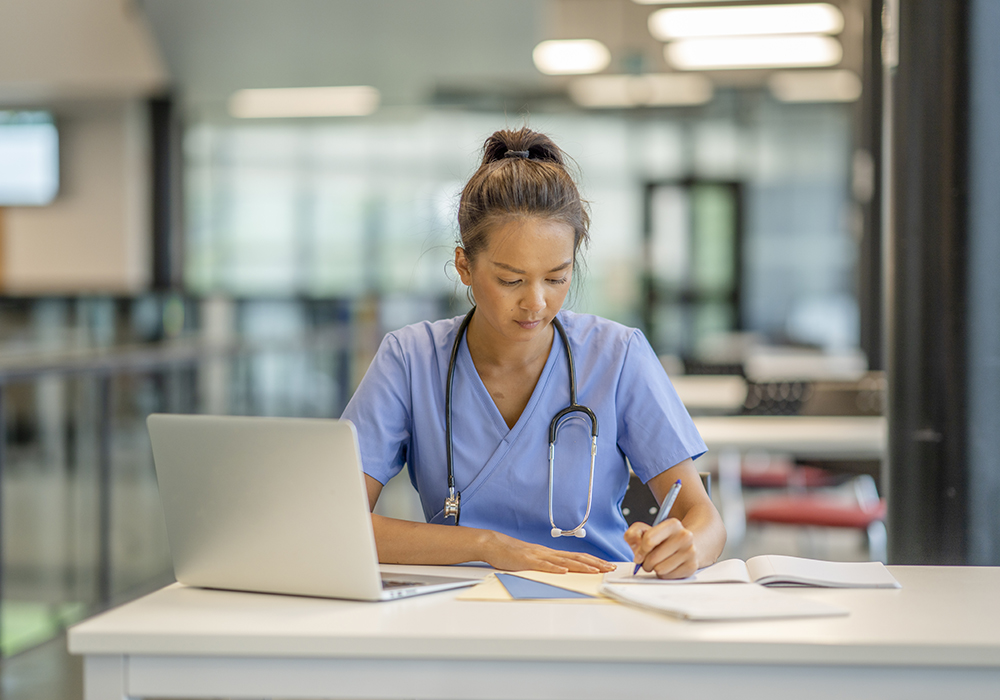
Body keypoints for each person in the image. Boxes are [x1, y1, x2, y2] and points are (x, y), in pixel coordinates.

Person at [342, 127, 726, 578]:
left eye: (557, 278)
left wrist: (687, 547)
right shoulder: (409, 360)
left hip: (595, 598)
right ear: (464, 266)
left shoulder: (616, 355)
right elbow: (339, 524)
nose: (536, 302)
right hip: (455, 602)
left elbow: (704, 519)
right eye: (511, 280)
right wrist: (488, 546)